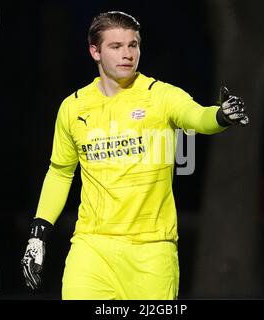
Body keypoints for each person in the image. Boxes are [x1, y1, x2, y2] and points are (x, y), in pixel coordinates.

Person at [21, 11, 248, 300]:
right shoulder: (72, 107)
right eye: (116, 47)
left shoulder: (161, 95)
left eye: (133, 45)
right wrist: (37, 235)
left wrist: (221, 116)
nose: (127, 54)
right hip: (92, 249)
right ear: (95, 52)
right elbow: (60, 172)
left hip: (151, 252)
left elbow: (197, 117)